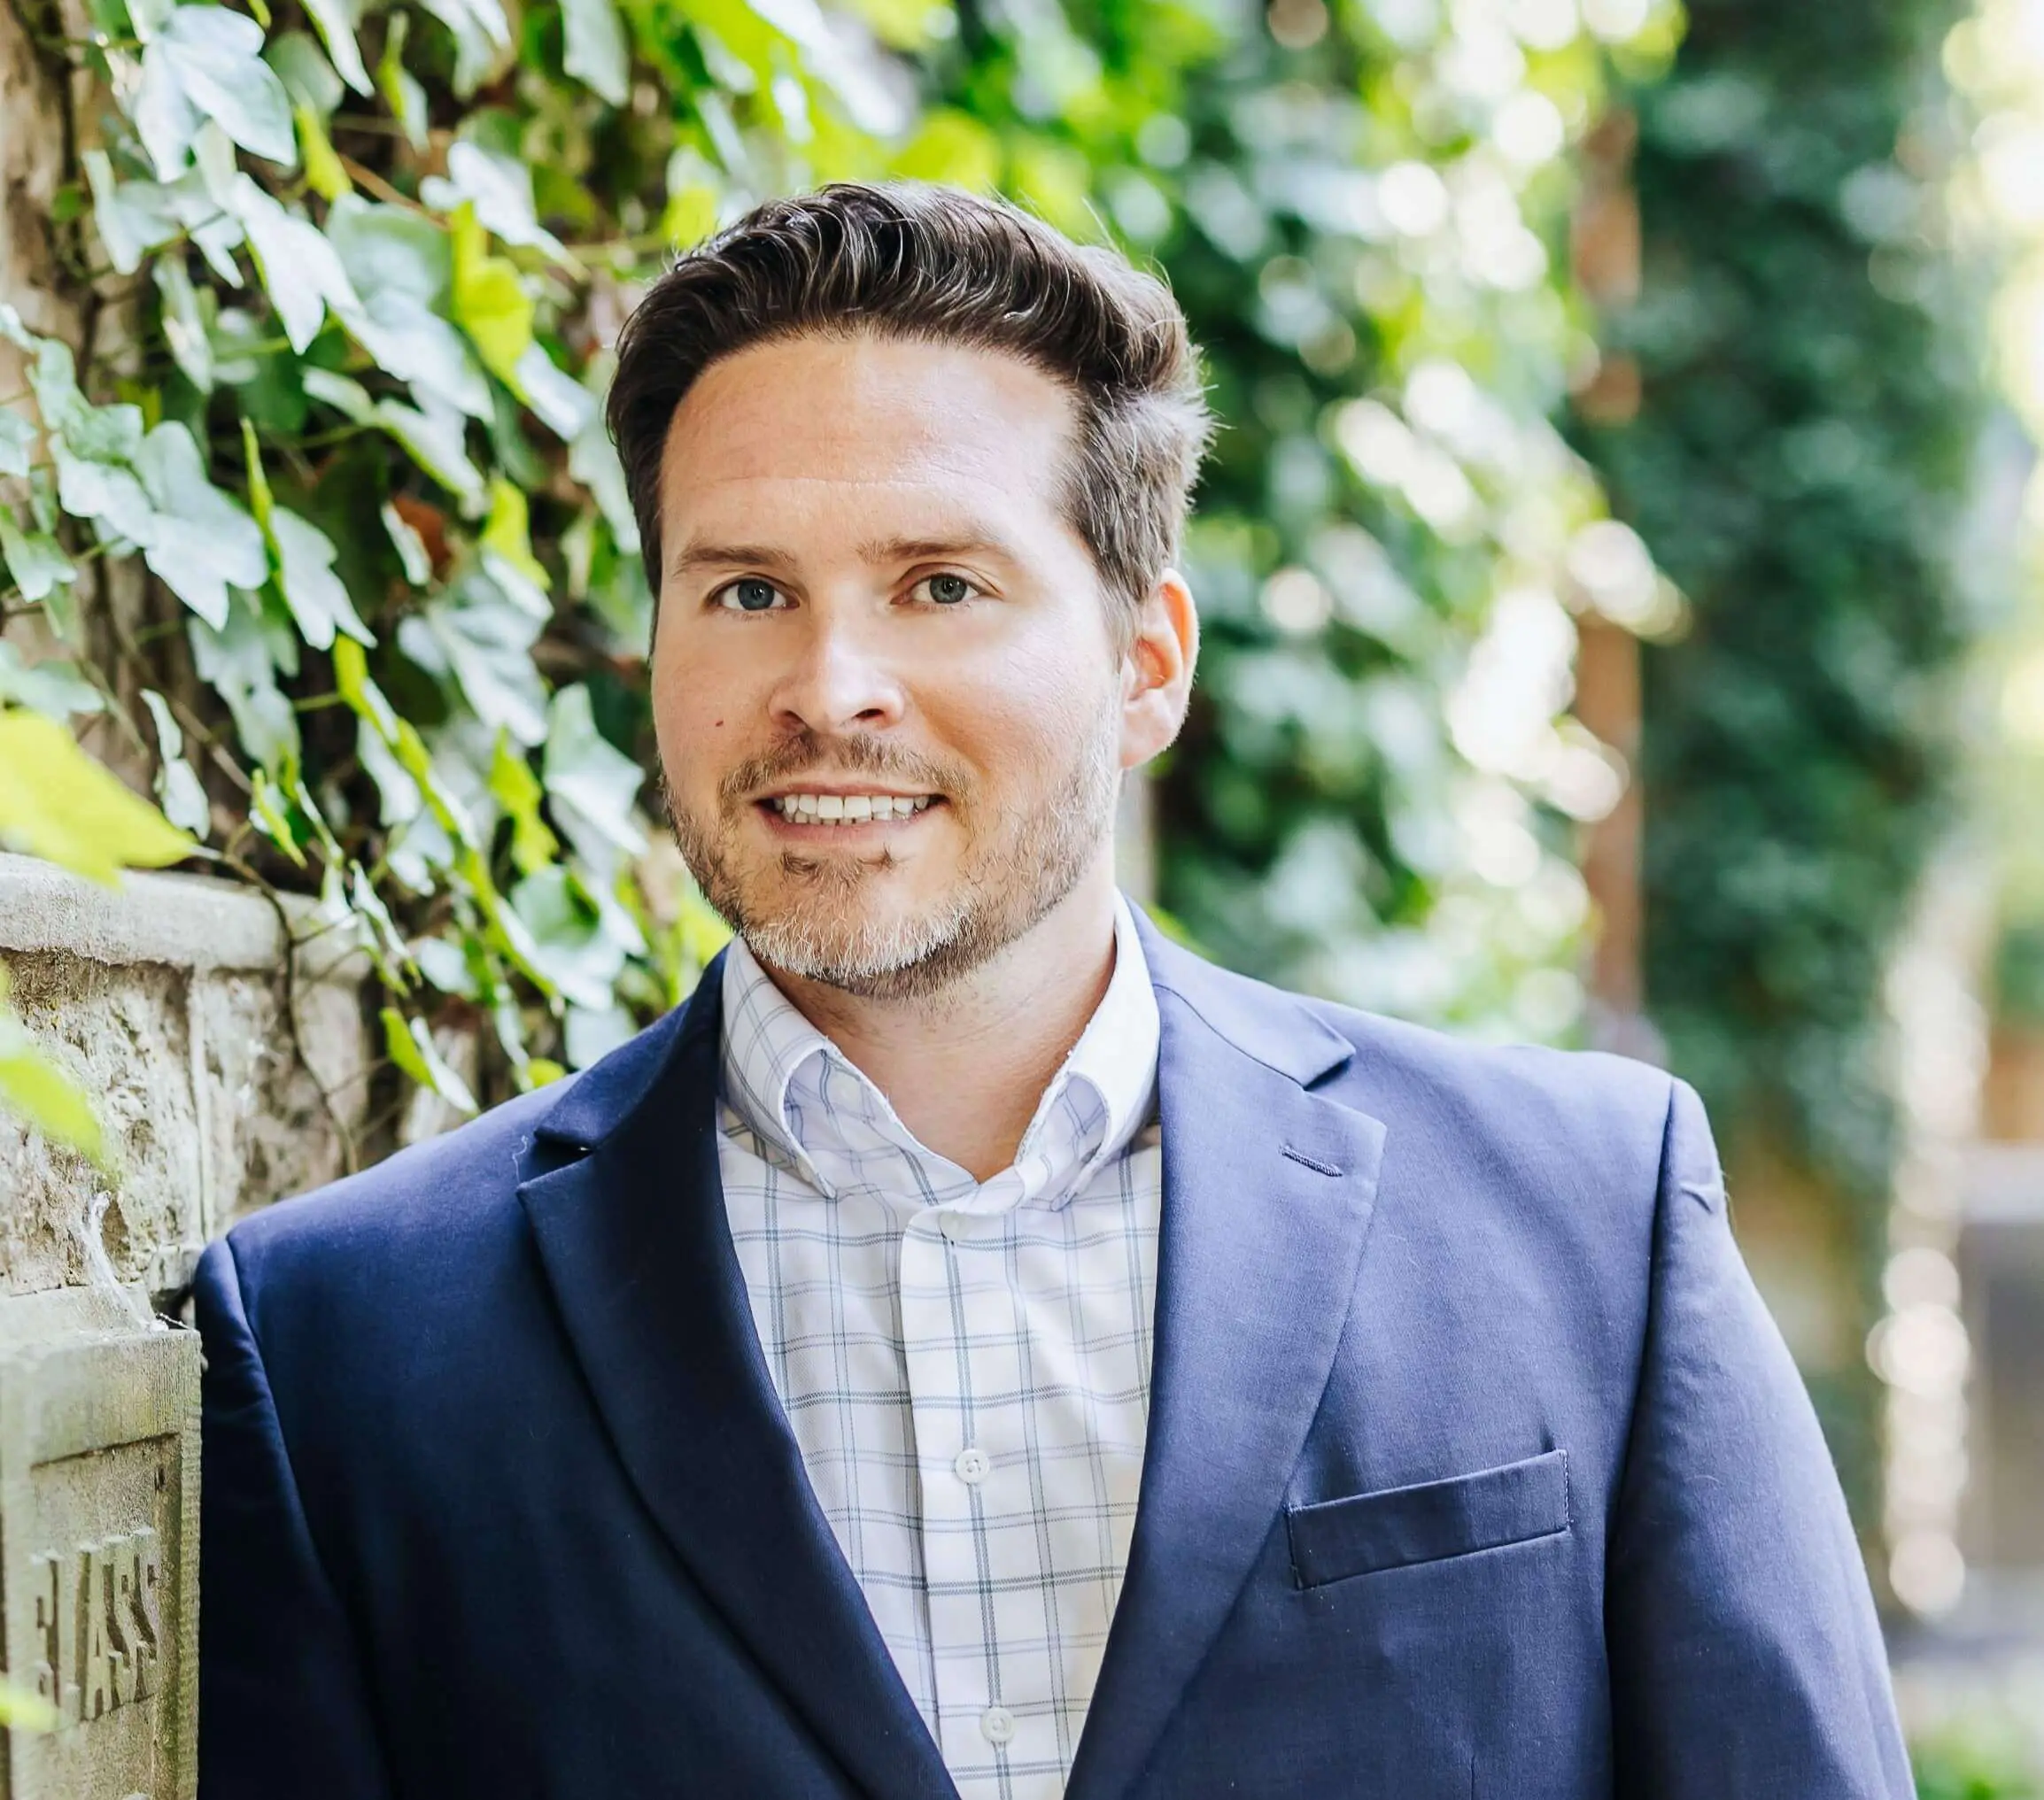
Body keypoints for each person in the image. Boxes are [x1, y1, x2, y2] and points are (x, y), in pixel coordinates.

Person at [194, 181, 1913, 1800]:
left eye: (938, 584)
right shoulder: (337, 1342)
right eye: (744, 591)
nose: (830, 684)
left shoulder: (1588, 1221)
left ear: (1143, 657)